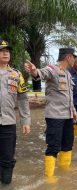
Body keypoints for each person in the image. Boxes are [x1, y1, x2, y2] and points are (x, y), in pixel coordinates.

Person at [25, 48, 77, 180]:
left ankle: (65, 172)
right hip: (55, 116)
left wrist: (74, 111)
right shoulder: (52, 69)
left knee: (67, 145)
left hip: (68, 116)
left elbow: (68, 95)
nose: (75, 60)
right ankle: (49, 178)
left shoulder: (68, 74)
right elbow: (41, 73)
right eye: (74, 57)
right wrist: (34, 71)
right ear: (68, 57)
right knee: (53, 147)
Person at [0, 39, 31, 184]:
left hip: (8, 123)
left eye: (7, 51)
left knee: (7, 158)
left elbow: (23, 99)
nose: (5, 53)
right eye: (2, 50)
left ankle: (6, 185)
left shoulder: (16, 75)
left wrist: (25, 121)